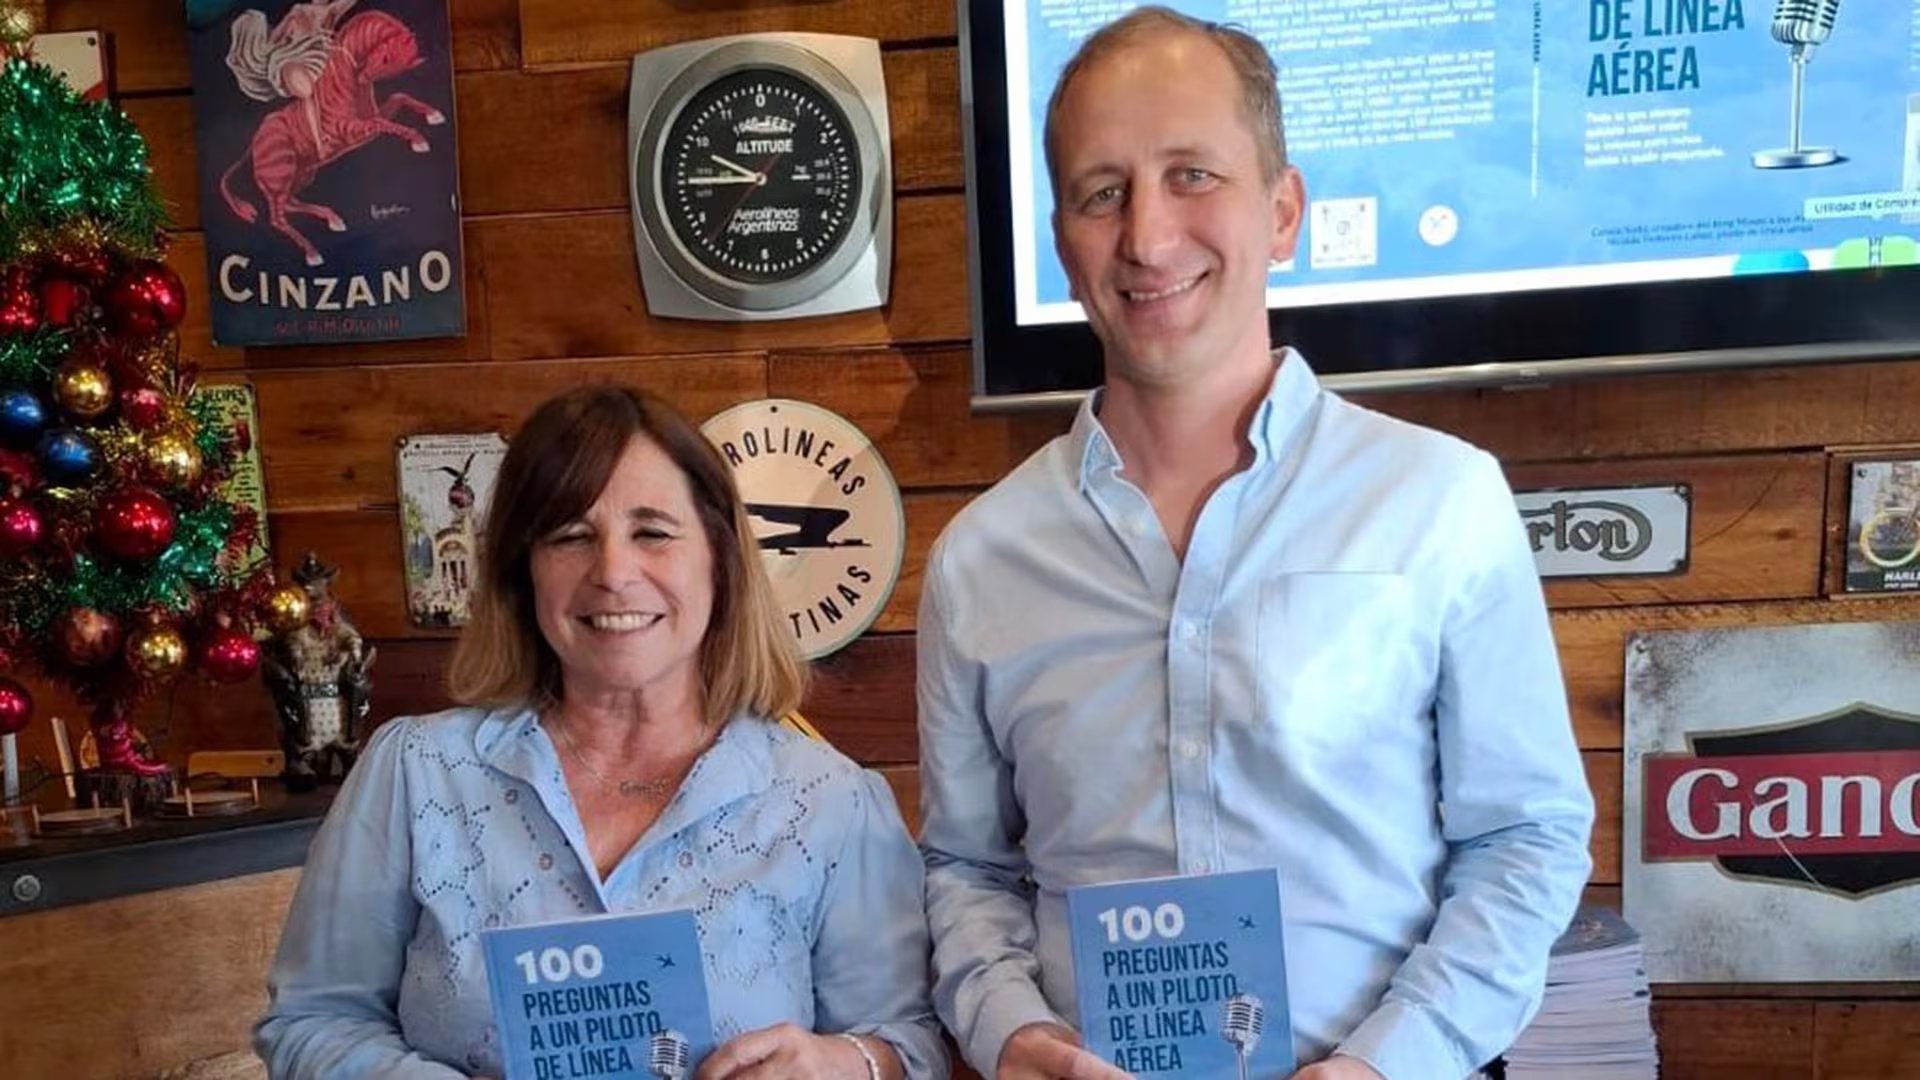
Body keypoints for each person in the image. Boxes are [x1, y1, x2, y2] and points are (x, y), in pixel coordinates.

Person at [917, 8, 1596, 1080]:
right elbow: (966, 869)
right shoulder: (979, 560)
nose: (1146, 236)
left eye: (1192, 175)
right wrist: (1016, 1037)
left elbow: (1526, 839)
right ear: (1063, 243)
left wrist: (1387, 1064)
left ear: (1283, 213)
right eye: (1104, 192)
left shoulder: (1442, 501)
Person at [256, 387, 947, 1080]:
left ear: (721, 560)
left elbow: (910, 1045)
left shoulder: (832, 800)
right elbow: (312, 1021)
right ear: (523, 573)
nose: (614, 572)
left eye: (653, 532)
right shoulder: (414, 772)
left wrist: (843, 1063)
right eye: (571, 536)